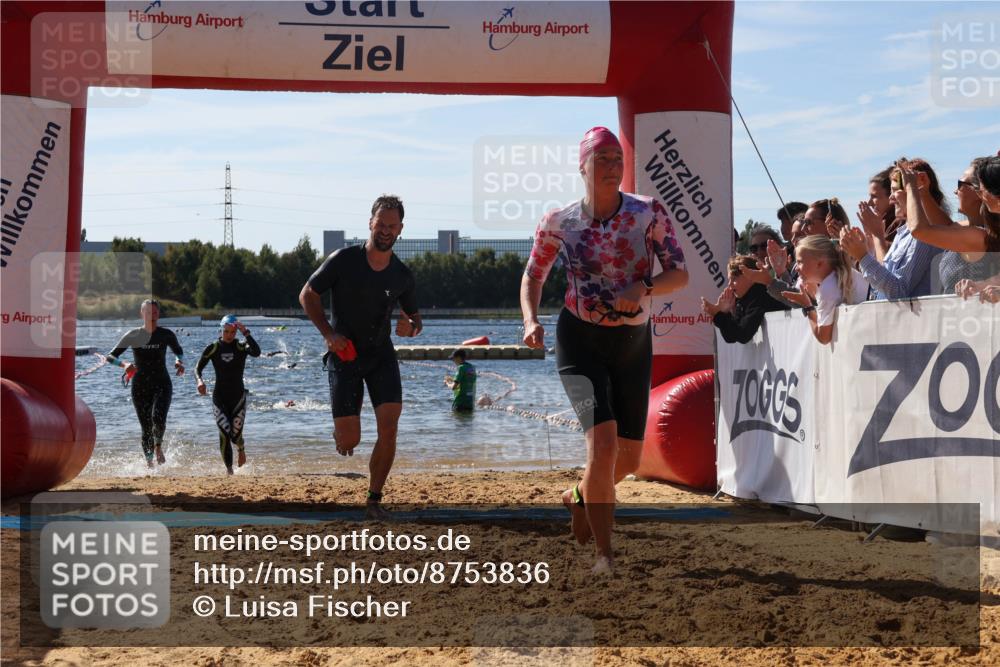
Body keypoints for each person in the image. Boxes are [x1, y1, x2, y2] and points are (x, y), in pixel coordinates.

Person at [520, 126, 688, 574]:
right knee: (604, 444)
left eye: (618, 158)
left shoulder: (647, 212)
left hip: (633, 342)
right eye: (602, 159)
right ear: (583, 167)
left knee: (628, 459)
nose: (613, 166)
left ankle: (579, 495)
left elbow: (679, 274)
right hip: (580, 340)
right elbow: (533, 276)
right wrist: (530, 319)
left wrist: (643, 285)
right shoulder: (559, 221)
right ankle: (604, 556)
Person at [299, 194, 422, 518]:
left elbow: (415, 320)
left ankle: (374, 499)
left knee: (389, 428)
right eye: (381, 224)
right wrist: (328, 334)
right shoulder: (344, 260)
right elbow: (307, 294)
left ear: (400, 229)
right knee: (349, 441)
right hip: (345, 355)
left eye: (392, 226)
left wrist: (409, 328)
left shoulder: (402, 275)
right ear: (370, 223)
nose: (386, 230)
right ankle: (342, 432)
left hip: (381, 355)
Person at [840, 159, 948, 300]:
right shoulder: (903, 232)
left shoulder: (923, 235)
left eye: (895, 191)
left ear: (915, 191)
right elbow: (884, 283)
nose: (891, 198)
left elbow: (898, 291)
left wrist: (863, 255)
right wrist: (867, 246)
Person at [900, 157, 1000, 294]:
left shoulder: (981, 235)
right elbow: (946, 226)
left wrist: (911, 188)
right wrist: (923, 192)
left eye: (960, 184)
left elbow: (920, 230)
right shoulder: (980, 231)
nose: (955, 191)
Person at [104, 299, 184, 467]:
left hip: (162, 383)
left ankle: (158, 446)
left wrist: (179, 361)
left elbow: (179, 351)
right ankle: (149, 463)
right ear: (142, 314)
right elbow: (110, 357)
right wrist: (124, 365)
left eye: (154, 312)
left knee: (158, 417)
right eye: (148, 312)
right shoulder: (133, 335)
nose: (151, 315)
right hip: (140, 386)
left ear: (158, 314)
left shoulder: (166, 334)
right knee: (146, 427)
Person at [196, 315, 261, 475]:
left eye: (232, 332)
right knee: (224, 433)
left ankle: (241, 448)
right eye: (226, 331)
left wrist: (246, 332)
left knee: (235, 436)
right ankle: (229, 471)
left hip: (238, 398)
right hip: (219, 397)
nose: (229, 335)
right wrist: (199, 381)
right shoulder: (213, 348)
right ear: (221, 330)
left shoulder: (241, 346)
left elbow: (257, 352)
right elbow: (198, 368)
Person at [782, 236, 869, 344]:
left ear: (820, 263)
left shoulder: (828, 288)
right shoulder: (845, 273)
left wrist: (807, 306)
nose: (796, 268)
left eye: (800, 262)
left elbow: (824, 337)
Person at [701, 256, 789, 344]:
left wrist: (718, 315)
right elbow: (731, 337)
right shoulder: (743, 299)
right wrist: (724, 313)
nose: (730, 285)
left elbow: (743, 335)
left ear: (751, 277)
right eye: (729, 280)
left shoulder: (761, 295)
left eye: (734, 279)